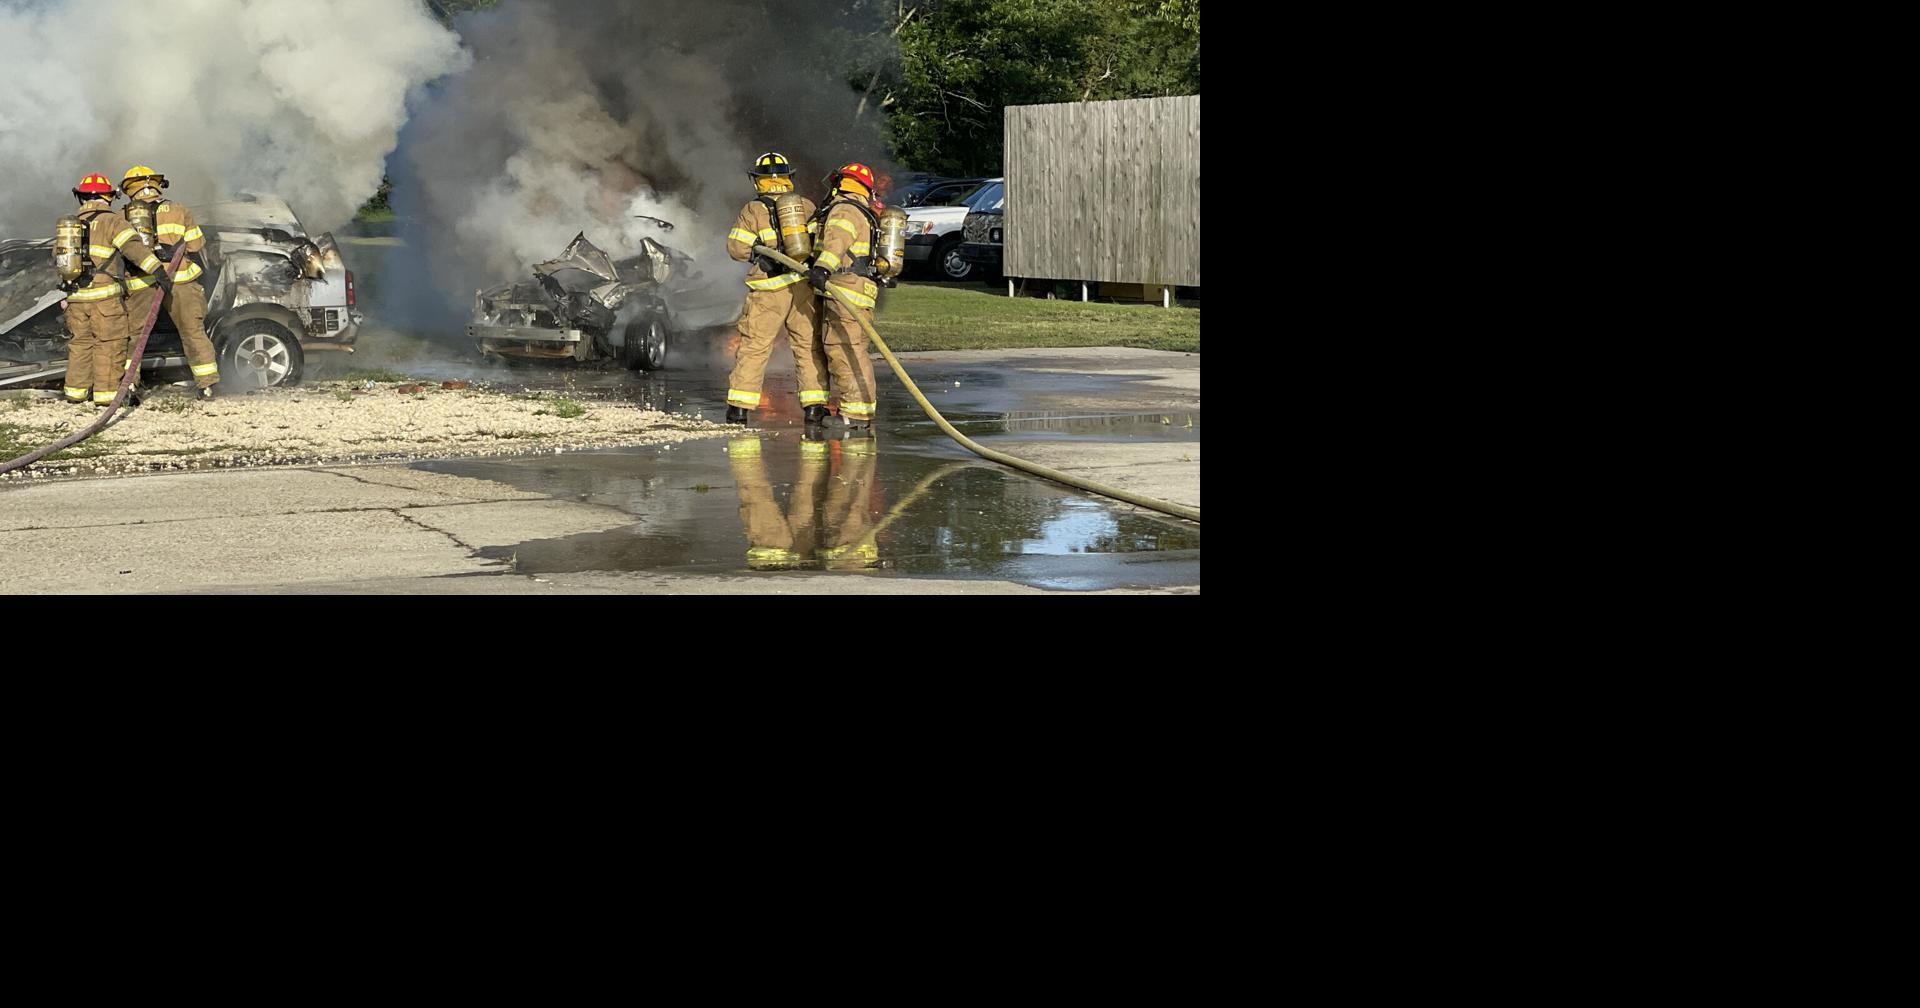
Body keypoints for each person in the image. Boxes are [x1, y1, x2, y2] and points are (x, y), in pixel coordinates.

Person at [721, 152, 828, 424]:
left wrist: (759, 253)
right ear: (788, 178)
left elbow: (736, 248)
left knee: (755, 346)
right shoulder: (805, 205)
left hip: (769, 289)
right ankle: (814, 406)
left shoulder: (753, 209)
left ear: (759, 180)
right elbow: (820, 243)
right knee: (808, 345)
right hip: (803, 287)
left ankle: (739, 408)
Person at [56, 173, 163, 408]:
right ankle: (106, 397)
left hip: (76, 298)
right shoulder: (113, 221)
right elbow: (134, 249)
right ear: (109, 197)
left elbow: (58, 259)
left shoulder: (70, 226)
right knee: (110, 344)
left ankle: (76, 393)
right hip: (105, 298)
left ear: (81, 197)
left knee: (80, 344)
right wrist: (158, 270)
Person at [120, 164, 219, 397]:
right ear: (156, 185)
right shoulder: (179, 209)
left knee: (134, 335)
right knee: (193, 331)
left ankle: (129, 386)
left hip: (142, 281)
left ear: (129, 190)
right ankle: (207, 385)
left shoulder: (122, 215)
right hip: (180, 279)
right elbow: (196, 244)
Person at [806, 162, 886, 431]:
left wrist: (822, 268)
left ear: (841, 183)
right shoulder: (862, 210)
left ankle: (855, 414)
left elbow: (837, 242)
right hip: (857, 290)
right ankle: (859, 411)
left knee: (843, 349)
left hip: (845, 289)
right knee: (853, 349)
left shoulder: (844, 209)